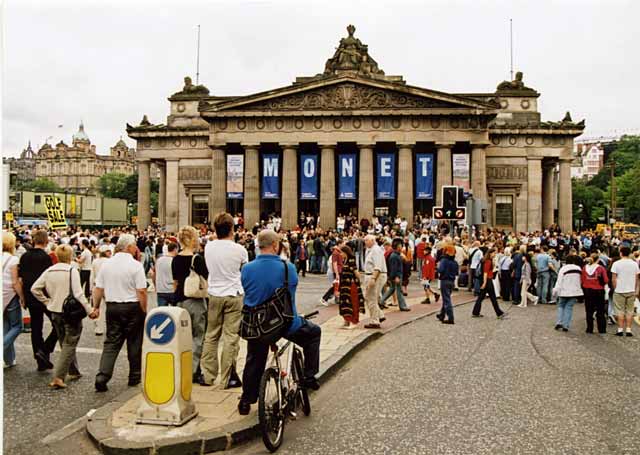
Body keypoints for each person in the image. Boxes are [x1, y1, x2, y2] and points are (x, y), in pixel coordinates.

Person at [238, 230, 322, 415]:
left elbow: (248, 292)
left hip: (257, 325)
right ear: (276, 245)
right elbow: (290, 295)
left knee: (254, 360)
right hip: (284, 323)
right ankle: (309, 376)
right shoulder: (287, 268)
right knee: (313, 333)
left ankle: (246, 400)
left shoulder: (247, 269)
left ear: (259, 246)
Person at [91, 234, 148, 392]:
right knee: (134, 342)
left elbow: (98, 288)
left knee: (111, 342)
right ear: (129, 247)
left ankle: (103, 375)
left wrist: (96, 307)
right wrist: (144, 309)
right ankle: (134, 376)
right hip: (132, 306)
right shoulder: (136, 265)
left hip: (113, 306)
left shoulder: (107, 265)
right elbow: (142, 290)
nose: (136, 248)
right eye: (134, 245)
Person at [31, 245, 92, 389]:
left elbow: (35, 288)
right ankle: (58, 376)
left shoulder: (49, 271)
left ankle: (73, 370)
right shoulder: (72, 271)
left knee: (64, 341)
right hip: (70, 312)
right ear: (70, 256)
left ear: (57, 256)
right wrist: (89, 310)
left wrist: (47, 301)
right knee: (70, 343)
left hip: (54, 311)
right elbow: (78, 294)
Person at [200, 213, 248, 388]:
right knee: (230, 337)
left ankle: (207, 375)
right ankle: (227, 378)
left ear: (215, 229)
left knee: (211, 335)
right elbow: (244, 272)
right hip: (234, 294)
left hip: (214, 294)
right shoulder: (240, 250)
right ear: (232, 229)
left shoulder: (208, 247)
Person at [172, 226, 209, 382]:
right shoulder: (197, 259)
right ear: (193, 239)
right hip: (196, 301)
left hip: (180, 301)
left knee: (182, 337)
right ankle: (193, 370)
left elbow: (174, 283)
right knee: (198, 336)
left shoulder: (175, 259)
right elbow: (206, 279)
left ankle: (181, 367)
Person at [18, 229, 57, 370]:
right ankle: (45, 350)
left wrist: (22, 297)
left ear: (33, 240)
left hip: (30, 295)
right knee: (58, 324)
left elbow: (20, 279)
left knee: (36, 327)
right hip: (44, 296)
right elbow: (49, 280)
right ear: (46, 241)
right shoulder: (46, 258)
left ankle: (39, 359)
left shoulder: (24, 257)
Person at [3, 232, 24, 369]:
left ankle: (10, 360)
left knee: (5, 328)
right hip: (10, 296)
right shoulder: (13, 260)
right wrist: (22, 296)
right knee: (17, 326)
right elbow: (15, 282)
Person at [611, 246, 640, 337]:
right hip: (631, 289)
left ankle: (620, 329)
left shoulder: (616, 264)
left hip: (619, 290)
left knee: (620, 310)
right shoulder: (634, 264)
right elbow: (637, 278)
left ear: (621, 253)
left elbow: (613, 278)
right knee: (630, 311)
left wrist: (615, 288)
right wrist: (636, 289)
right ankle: (628, 329)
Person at [471, 248, 506, 319]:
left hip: (484, 280)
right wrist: (484, 282)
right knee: (493, 297)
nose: (495, 255)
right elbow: (485, 273)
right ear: (490, 253)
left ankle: (475, 312)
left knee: (481, 297)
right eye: (494, 253)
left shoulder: (483, 260)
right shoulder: (488, 261)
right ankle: (499, 313)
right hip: (487, 281)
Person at [552, 255, 583, 332]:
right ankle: (566, 325)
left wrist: (555, 291)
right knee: (569, 307)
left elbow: (559, 281)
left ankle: (559, 321)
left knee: (561, 306)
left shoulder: (563, 268)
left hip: (564, 290)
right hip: (574, 291)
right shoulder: (578, 269)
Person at [362, 235, 386, 329]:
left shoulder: (376, 250)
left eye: (366, 240)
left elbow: (378, 266)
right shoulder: (371, 250)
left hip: (374, 276)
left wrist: (373, 278)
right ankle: (380, 315)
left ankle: (375, 321)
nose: (365, 242)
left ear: (372, 240)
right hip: (371, 275)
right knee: (369, 297)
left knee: (371, 298)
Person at [581, 253, 609, 334]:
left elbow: (582, 279)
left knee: (589, 310)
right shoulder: (601, 268)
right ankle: (601, 329)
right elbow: (606, 280)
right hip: (599, 291)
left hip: (587, 290)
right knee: (600, 310)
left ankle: (589, 328)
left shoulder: (584, 268)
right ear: (598, 259)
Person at [338, 245, 364, 329]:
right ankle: (346, 321)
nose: (340, 254)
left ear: (346, 252)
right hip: (344, 285)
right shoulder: (344, 260)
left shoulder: (351, 260)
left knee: (352, 302)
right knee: (345, 303)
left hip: (351, 285)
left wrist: (359, 282)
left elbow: (356, 272)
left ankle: (353, 322)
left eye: (341, 252)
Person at [380, 238, 411, 312]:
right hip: (397, 276)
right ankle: (402, 306)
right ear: (397, 247)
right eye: (400, 246)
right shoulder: (394, 256)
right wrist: (395, 277)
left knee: (392, 289)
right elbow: (394, 268)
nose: (401, 247)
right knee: (399, 291)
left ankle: (381, 301)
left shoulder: (395, 255)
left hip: (396, 275)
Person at [90, 246, 112, 335]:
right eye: (108, 251)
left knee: (97, 307)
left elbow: (92, 275)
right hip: (108, 286)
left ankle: (99, 328)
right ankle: (110, 326)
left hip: (97, 285)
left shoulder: (95, 261)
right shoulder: (110, 261)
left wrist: (90, 288)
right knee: (109, 307)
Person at [436, 244, 458, 324]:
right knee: (446, 298)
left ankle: (450, 318)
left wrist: (438, 268)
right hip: (452, 281)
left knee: (447, 300)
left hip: (444, 281)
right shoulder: (455, 262)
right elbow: (456, 272)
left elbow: (440, 270)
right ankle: (442, 314)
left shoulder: (444, 260)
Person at [153, 242, 177, 307]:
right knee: (175, 314)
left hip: (161, 290)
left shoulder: (159, 260)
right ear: (175, 249)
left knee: (162, 314)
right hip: (172, 290)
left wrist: (156, 286)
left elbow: (154, 275)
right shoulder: (175, 261)